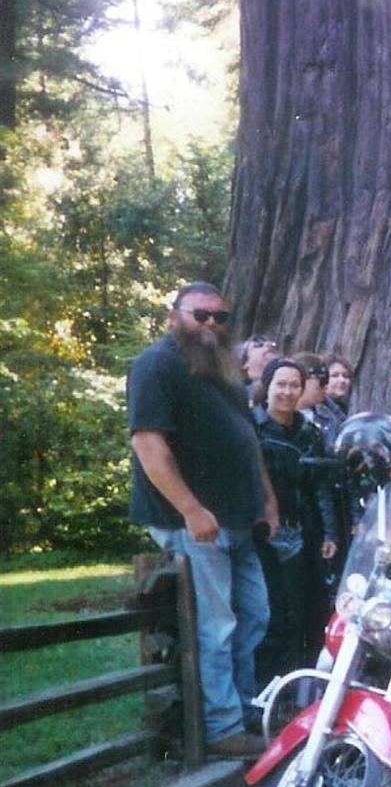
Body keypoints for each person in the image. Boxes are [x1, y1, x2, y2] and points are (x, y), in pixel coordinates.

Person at [128, 282, 279, 759]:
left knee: (255, 615)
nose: (212, 325)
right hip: (193, 521)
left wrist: (268, 503)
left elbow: (247, 442)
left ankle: (246, 711)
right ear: (175, 316)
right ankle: (223, 728)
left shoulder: (223, 370)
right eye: (201, 316)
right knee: (217, 626)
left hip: (238, 520)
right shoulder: (156, 365)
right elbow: (149, 446)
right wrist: (192, 510)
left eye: (221, 317)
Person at [252, 357, 339, 683]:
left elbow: (321, 486)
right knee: (271, 614)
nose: (287, 392)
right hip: (262, 534)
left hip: (303, 533)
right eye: (281, 384)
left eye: (294, 385)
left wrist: (330, 532)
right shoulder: (251, 428)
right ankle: (265, 688)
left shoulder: (309, 433)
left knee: (306, 614)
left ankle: (296, 688)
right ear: (268, 386)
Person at [292, 351, 344, 452]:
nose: (326, 386)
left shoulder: (331, 419)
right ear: (302, 380)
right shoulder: (279, 417)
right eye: (322, 381)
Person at [239, 334, 278, 404]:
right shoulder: (237, 393)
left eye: (273, 345)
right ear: (245, 363)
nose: (269, 345)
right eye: (258, 345)